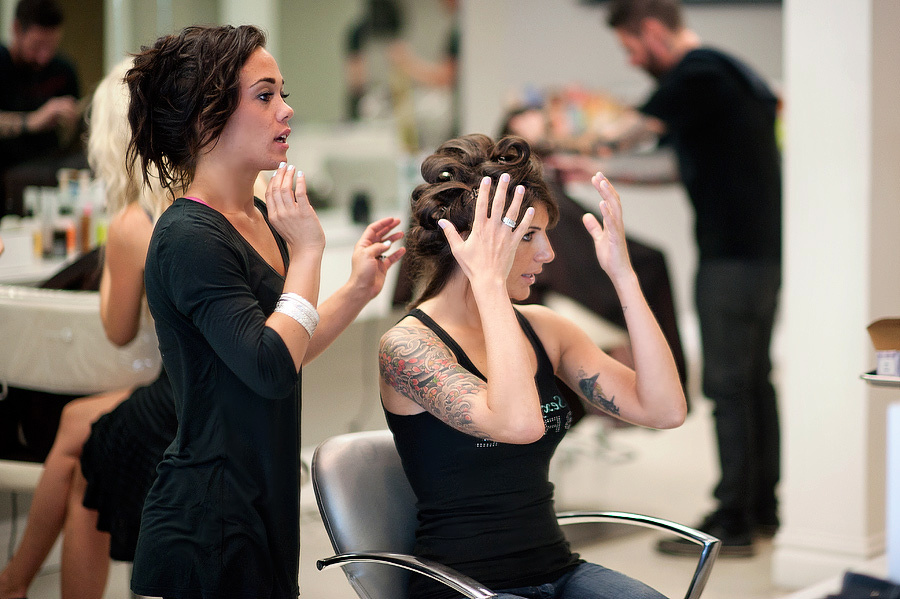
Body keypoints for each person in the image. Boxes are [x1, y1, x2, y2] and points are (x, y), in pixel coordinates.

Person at [125, 24, 404, 599]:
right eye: (265, 95)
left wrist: (355, 290)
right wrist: (307, 251)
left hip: (263, 500)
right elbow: (270, 366)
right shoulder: (188, 237)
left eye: (282, 93)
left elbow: (286, 344)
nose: (287, 110)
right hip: (211, 519)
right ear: (208, 116)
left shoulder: (255, 215)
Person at [379, 133, 686, 599]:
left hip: (558, 570)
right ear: (471, 243)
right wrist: (485, 282)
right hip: (463, 586)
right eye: (528, 236)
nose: (548, 254)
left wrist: (624, 277)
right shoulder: (407, 348)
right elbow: (518, 423)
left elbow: (663, 410)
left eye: (545, 234)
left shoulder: (544, 329)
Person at [606, 0, 783, 557]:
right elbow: (675, 168)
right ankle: (761, 510)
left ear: (653, 32)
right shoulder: (732, 77)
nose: (634, 62)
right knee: (753, 383)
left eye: (632, 48)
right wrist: (597, 172)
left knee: (728, 388)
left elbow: (634, 131)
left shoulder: (697, 73)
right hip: (760, 256)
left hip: (731, 260)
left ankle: (731, 522)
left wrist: (573, 139)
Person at [0, 0, 82, 217]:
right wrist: (33, 121)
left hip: (48, 181)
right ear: (17, 29)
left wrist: (72, 122)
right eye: (36, 46)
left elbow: (71, 138)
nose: (43, 56)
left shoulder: (64, 70)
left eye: (51, 47)